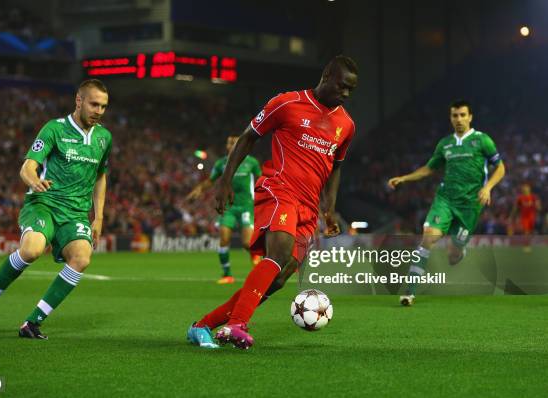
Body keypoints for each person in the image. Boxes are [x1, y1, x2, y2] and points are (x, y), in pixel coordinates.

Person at [187, 55, 358, 349]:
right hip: (279, 189)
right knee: (277, 254)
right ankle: (236, 325)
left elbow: (336, 168)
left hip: (309, 206)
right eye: (342, 86)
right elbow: (247, 138)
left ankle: (203, 325)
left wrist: (329, 209)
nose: (345, 94)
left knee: (277, 280)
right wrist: (225, 181)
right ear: (327, 75)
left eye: (350, 90)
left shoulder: (347, 124)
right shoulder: (287, 103)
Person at [0, 79, 112, 339]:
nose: (99, 111)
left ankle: (32, 323)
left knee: (81, 258)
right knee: (32, 250)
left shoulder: (104, 138)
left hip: (76, 213)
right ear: (78, 101)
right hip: (43, 203)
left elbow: (101, 176)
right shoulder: (54, 129)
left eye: (103, 106)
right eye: (94, 104)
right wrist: (34, 181)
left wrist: (99, 216)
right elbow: (27, 167)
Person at [388, 100, 506, 306]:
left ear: (470, 117)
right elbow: (428, 169)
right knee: (428, 238)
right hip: (445, 199)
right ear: (450, 118)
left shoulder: (482, 140)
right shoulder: (445, 144)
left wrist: (487, 188)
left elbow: (501, 168)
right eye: (455, 115)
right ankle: (409, 292)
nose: (458, 119)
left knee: (453, 255)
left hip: (469, 205)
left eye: (462, 115)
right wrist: (404, 178)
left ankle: (459, 248)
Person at [187, 136, 262, 284]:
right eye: (229, 142)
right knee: (224, 239)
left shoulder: (251, 162)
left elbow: (261, 179)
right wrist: (198, 190)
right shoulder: (221, 164)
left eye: (234, 142)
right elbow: (211, 181)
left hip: (247, 205)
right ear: (227, 146)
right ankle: (227, 274)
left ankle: (257, 262)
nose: (232, 145)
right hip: (229, 207)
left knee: (247, 243)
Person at [511, 183, 541, 251]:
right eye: (524, 188)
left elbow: (539, 207)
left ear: (529, 189)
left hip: (532, 217)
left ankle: (529, 244)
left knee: (530, 231)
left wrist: (538, 206)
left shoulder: (533, 197)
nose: (525, 189)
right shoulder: (520, 198)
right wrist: (512, 215)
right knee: (526, 231)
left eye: (526, 187)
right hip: (524, 217)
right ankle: (526, 245)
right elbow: (515, 208)